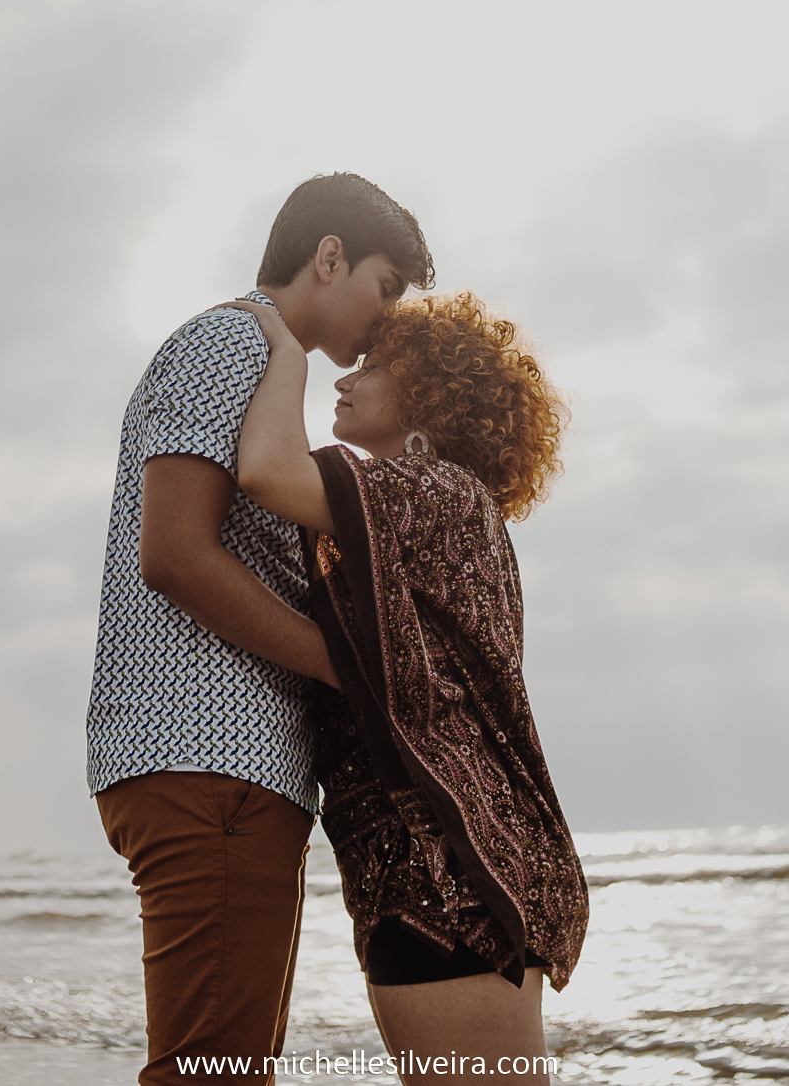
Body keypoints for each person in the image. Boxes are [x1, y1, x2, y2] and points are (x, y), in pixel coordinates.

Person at [85, 173, 434, 1085]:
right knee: (215, 1074)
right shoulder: (229, 343)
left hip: (227, 764)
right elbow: (177, 556)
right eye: (386, 287)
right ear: (328, 259)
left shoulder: (260, 361)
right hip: (212, 756)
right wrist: (344, 668)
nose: (388, 317)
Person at [222, 291, 589, 1086]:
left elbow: (266, 471)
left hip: (446, 877)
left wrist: (285, 352)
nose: (342, 382)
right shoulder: (432, 507)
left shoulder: (432, 492)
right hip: (434, 873)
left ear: (429, 396)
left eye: (371, 369)